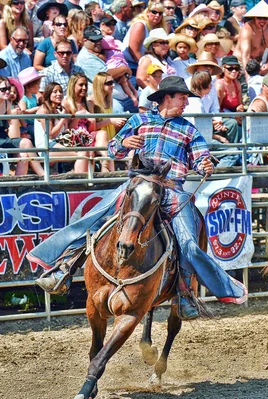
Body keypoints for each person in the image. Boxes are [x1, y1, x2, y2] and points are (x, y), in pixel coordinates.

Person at [30, 76, 248, 319]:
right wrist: (124, 141)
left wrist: (205, 164)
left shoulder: (189, 129)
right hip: (137, 186)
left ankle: (185, 292)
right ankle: (64, 267)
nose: (186, 103)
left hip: (172, 190)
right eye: (183, 97)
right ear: (168, 98)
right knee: (93, 219)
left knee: (189, 243)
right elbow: (113, 148)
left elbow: (200, 158)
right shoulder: (138, 120)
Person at [34, 82, 89, 173]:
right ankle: (80, 182)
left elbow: (65, 132)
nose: (59, 94)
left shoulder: (60, 110)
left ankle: (83, 178)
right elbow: (50, 134)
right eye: (55, 92)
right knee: (82, 154)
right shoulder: (44, 110)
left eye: (60, 91)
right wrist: (63, 119)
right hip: (47, 147)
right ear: (48, 94)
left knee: (88, 151)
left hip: (59, 142)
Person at [122, 2, 169, 77]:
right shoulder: (140, 25)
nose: (157, 15)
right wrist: (146, 67)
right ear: (147, 12)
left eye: (160, 13)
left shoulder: (156, 29)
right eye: (154, 12)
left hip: (143, 64)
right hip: (131, 66)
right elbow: (133, 50)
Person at [234, 0, 268, 74]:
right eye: (259, 17)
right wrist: (249, 77)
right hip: (241, 63)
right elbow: (245, 55)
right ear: (254, 17)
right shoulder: (247, 29)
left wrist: (267, 64)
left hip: (259, 64)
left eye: (265, 18)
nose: (262, 20)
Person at [17, 67, 41, 140]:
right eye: (37, 85)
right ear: (28, 87)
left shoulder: (34, 96)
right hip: (27, 124)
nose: (39, 86)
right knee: (36, 132)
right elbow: (23, 111)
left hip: (35, 122)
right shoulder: (23, 98)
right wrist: (36, 108)